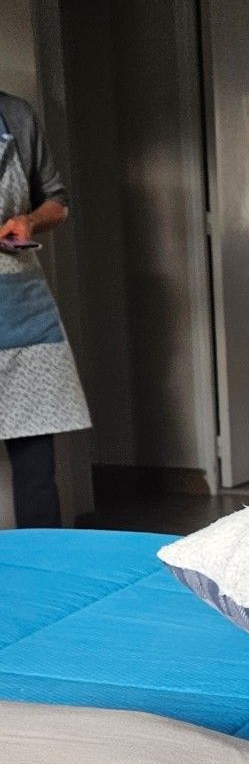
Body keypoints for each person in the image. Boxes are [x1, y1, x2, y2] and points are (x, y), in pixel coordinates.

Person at [0, 91, 90, 526]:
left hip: (20, 312)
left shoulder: (15, 114)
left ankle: (45, 578)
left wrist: (29, 222)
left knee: (37, 474)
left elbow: (57, 199)